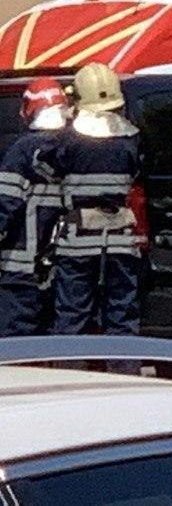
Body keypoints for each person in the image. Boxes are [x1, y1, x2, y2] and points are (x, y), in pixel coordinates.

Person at [45, 63, 142, 336]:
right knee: (122, 317)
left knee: (72, 317)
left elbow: (45, 166)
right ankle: (123, 363)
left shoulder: (67, 140)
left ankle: (71, 363)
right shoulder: (132, 138)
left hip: (78, 241)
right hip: (121, 240)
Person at [0, 79, 70, 336]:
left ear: (28, 110)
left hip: (19, 270)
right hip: (65, 269)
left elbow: (5, 205)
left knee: (16, 345)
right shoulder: (75, 149)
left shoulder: (21, 152)